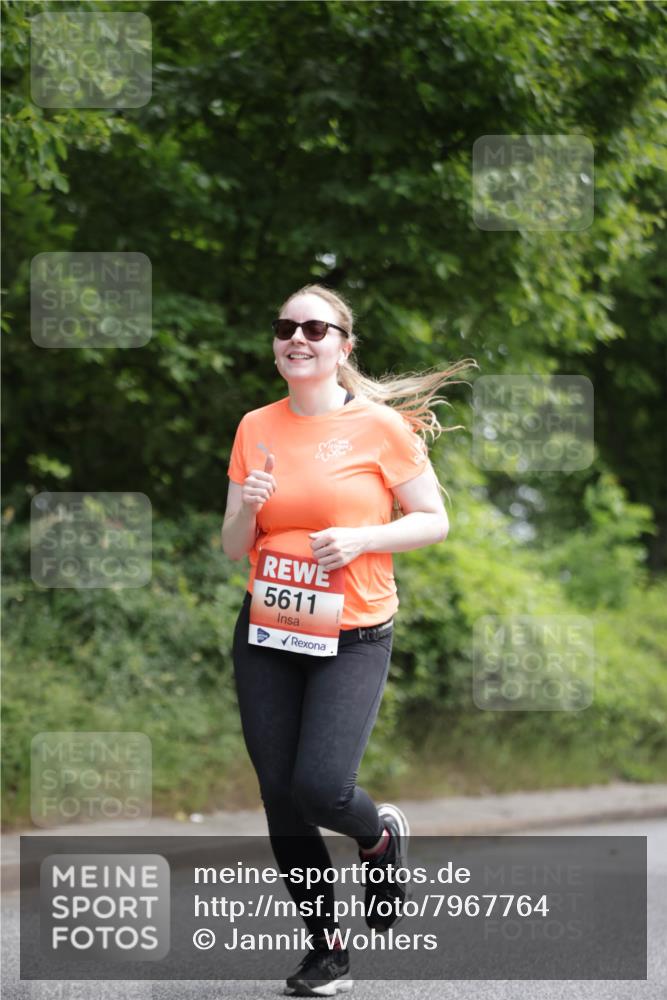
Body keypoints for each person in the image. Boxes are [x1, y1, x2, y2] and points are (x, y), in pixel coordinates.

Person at [222, 284, 473, 997]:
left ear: (342, 346)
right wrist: (246, 506)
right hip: (269, 628)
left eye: (313, 327)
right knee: (279, 796)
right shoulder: (254, 427)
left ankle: (378, 837)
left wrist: (363, 537)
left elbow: (432, 520)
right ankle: (326, 952)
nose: (295, 338)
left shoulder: (380, 428)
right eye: (284, 327)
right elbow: (231, 543)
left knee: (322, 788)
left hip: (354, 632)